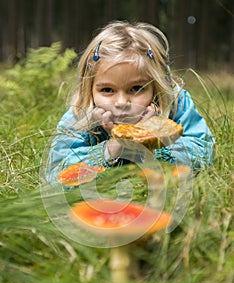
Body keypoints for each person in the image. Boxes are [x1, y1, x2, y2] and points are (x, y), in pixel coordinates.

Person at [46, 21, 214, 183]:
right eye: (107, 90)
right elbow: (55, 172)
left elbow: (204, 151)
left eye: (136, 88)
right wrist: (110, 149)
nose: (121, 102)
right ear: (89, 89)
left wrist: (154, 142)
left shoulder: (174, 103)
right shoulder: (80, 115)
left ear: (155, 86)